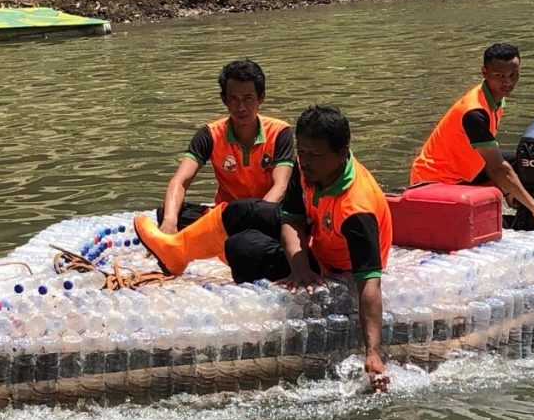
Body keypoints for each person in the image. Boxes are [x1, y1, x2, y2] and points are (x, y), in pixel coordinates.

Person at [133, 105, 392, 392]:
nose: (305, 161)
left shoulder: (357, 211)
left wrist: (373, 352)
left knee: (239, 246)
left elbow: (369, 282)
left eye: (315, 155)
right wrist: (298, 265)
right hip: (314, 236)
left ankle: (193, 252)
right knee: (239, 211)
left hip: (330, 269)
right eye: (302, 151)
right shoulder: (306, 168)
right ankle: (176, 252)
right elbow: (292, 220)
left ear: (342, 153)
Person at [409, 43, 534, 227]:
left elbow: (488, 158)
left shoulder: (494, 98)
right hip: (435, 180)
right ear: (484, 73)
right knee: (506, 169)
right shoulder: (474, 113)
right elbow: (498, 169)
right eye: (499, 76)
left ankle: (531, 220)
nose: (508, 83)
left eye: (513, 74)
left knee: (526, 160)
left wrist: (509, 191)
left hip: (463, 169)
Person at [154, 58, 294, 235]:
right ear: (224, 100)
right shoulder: (209, 134)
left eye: (248, 98)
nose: (241, 107)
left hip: (268, 211)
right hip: (229, 214)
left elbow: (281, 187)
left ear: (261, 98)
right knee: (167, 212)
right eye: (233, 99)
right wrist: (169, 222)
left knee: (291, 221)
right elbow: (180, 181)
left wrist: (256, 218)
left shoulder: (280, 132)